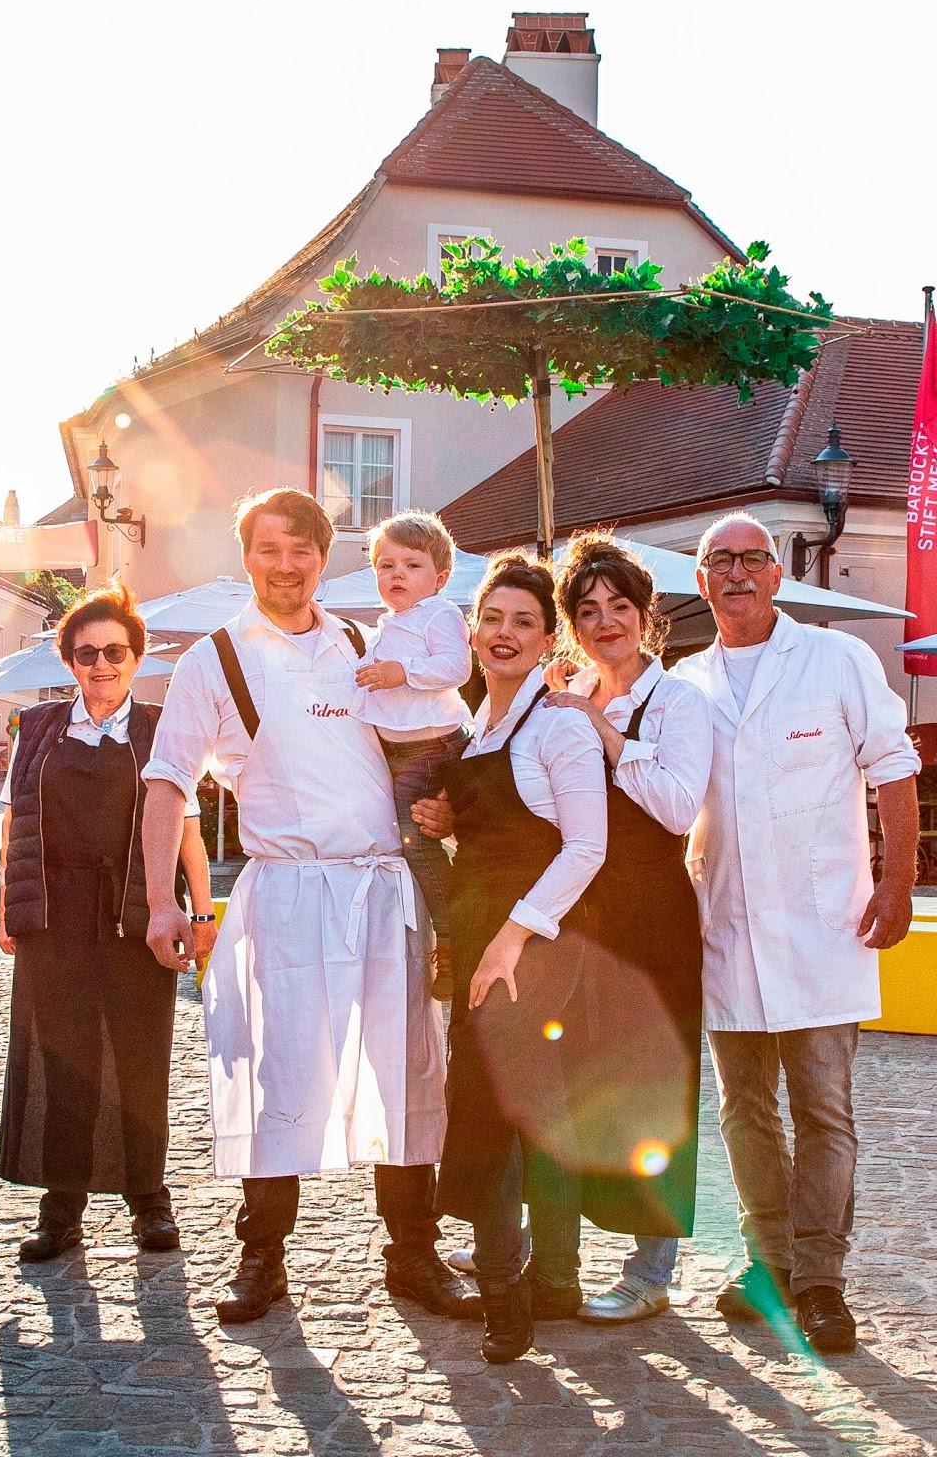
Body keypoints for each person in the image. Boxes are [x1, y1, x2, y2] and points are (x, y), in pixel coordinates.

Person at [141, 488, 471, 1327]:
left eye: (301, 550)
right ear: (245, 554)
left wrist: (448, 811)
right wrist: (161, 902)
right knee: (277, 1072)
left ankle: (414, 1254)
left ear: (325, 557)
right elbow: (166, 784)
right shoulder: (212, 659)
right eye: (267, 549)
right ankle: (263, 1257)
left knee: (407, 1072)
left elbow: (439, 738)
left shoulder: (367, 642)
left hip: (385, 888)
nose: (285, 566)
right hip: (285, 891)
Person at [675, 512, 918, 1355]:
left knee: (823, 1109)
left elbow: (893, 766)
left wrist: (897, 883)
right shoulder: (686, 684)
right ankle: (767, 1266)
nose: (737, 573)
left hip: (824, 924)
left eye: (753, 559)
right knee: (745, 1111)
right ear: (700, 580)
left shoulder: (836, 659)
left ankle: (820, 1280)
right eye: (720, 562)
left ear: (776, 574)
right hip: (726, 927)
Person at [416, 552, 607, 1364]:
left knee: (505, 1114)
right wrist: (446, 825)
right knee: (508, 1110)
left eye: (524, 622)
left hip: (537, 942)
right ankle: (534, 1281)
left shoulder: (560, 723)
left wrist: (510, 937)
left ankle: (505, 1293)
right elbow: (499, 830)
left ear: (547, 638)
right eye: (493, 618)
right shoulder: (475, 726)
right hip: (479, 932)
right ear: (472, 629)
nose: (505, 634)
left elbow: (586, 847)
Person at [0, 581, 216, 1262]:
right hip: (55, 919)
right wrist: (9, 906)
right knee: (66, 1063)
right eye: (87, 652)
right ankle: (60, 1210)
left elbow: (186, 833)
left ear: (135, 656)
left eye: (115, 651)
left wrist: (201, 912)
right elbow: (12, 823)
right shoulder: (35, 732)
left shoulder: (159, 730)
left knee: (139, 1057)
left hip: (134, 916)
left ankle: (150, 1201)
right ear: (69, 661)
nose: (101, 664)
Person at [537, 532, 712, 1323]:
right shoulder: (561, 694)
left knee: (653, 1088)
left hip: (651, 916)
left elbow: (678, 806)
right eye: (588, 608)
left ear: (646, 616)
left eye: (620, 606)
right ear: (571, 623)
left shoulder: (679, 703)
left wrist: (602, 730)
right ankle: (556, 1243)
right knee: (576, 1085)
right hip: (579, 914)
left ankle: (652, 1268)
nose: (605, 620)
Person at [352, 510, 472, 1001]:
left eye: (411, 565)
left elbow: (458, 666)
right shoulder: (384, 626)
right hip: (397, 751)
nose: (396, 574)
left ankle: (455, 934)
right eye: (386, 565)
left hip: (432, 747)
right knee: (402, 838)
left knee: (414, 841)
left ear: (440, 578)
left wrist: (403, 672)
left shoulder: (440, 615)